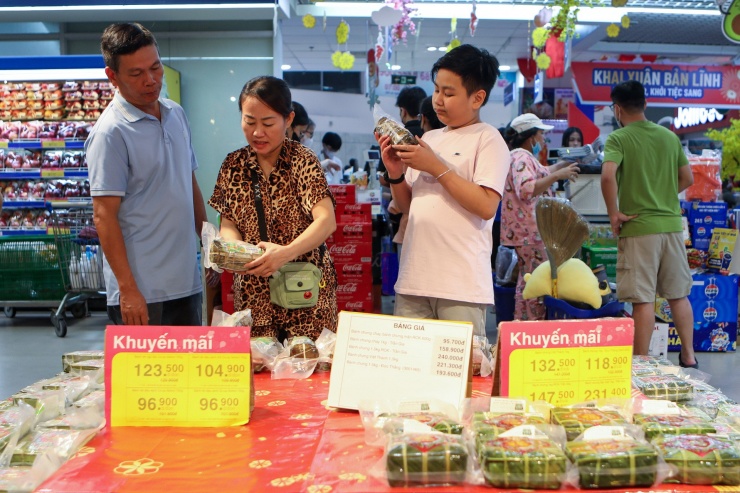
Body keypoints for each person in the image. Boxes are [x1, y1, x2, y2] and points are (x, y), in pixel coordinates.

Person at [376, 44, 510, 338]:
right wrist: (396, 174)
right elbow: (410, 207)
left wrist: (436, 166)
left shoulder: (489, 140)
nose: (438, 100)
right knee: (410, 373)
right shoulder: (430, 138)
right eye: (436, 90)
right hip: (414, 279)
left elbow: (487, 206)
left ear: (477, 98)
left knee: (460, 377)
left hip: (460, 285)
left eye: (449, 93)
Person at [87, 22, 206, 326]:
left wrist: (209, 246)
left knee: (189, 373)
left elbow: (187, 182)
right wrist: (127, 289)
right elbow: (104, 216)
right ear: (112, 76)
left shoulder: (176, 114)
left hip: (185, 282)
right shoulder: (110, 133)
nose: (151, 80)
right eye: (136, 74)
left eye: (155, 67)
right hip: (141, 294)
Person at [209, 76, 337, 341]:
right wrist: (236, 252)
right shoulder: (233, 164)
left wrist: (285, 253)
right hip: (254, 292)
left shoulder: (303, 160)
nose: (258, 132)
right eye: (249, 121)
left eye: (268, 123)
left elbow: (326, 221)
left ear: (288, 120)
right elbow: (228, 223)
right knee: (260, 371)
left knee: (308, 366)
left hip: (304, 290)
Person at [601, 80, 697, 367]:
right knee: (678, 294)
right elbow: (688, 179)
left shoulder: (618, 138)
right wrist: (664, 196)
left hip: (639, 227)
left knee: (643, 300)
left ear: (617, 109)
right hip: (671, 227)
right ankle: (689, 357)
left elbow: (607, 177)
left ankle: (640, 364)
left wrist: (613, 213)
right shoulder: (669, 137)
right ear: (644, 103)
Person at [501, 113, 580, 321]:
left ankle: (521, 324)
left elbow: (540, 173)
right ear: (530, 137)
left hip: (524, 232)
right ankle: (534, 327)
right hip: (530, 232)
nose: (543, 140)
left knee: (527, 280)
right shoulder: (521, 157)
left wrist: (560, 166)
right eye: (540, 135)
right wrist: (557, 176)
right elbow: (527, 189)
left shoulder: (519, 157)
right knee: (537, 280)